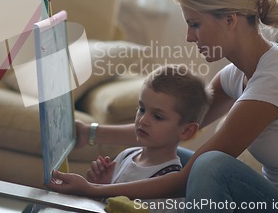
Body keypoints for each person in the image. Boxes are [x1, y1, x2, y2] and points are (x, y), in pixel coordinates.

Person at [48, 0, 278, 213]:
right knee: (170, 150)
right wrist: (90, 133)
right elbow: (176, 125)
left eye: (195, 24)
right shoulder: (237, 74)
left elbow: (189, 176)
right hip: (273, 199)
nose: (190, 37)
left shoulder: (273, 83)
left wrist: (90, 189)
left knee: (208, 166)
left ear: (230, 19)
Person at [85, 64, 210, 212]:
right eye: (142, 109)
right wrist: (101, 187)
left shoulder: (170, 188)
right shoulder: (125, 156)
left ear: (186, 131)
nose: (143, 120)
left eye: (157, 116)